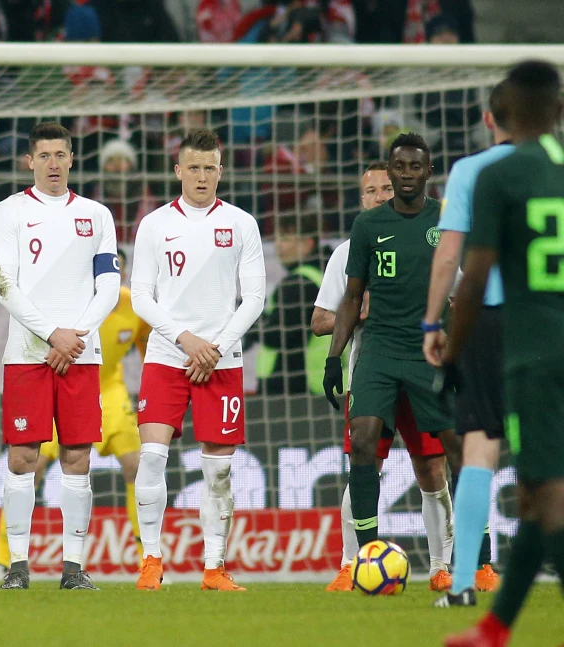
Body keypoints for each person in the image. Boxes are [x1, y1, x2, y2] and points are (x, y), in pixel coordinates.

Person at [442, 60, 564, 647]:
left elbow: (471, 273)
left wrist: (449, 348)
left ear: (500, 115)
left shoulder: (492, 174)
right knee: (539, 490)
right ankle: (495, 626)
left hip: (529, 347)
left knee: (542, 491)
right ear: (559, 111)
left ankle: (474, 595)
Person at [322, 133, 462, 591]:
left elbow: (466, 290)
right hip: (379, 348)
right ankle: (366, 557)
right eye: (399, 166)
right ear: (390, 167)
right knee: (363, 442)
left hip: (429, 348)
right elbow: (351, 297)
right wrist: (334, 358)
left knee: (454, 450)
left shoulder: (447, 220)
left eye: (414, 167)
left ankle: (470, 563)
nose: (406, 175)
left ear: (428, 171)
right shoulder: (367, 226)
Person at [131, 129, 266, 592]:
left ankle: (213, 567)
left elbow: (254, 297)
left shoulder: (242, 224)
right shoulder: (154, 225)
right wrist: (187, 340)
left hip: (221, 361)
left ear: (221, 171)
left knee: (219, 470)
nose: (202, 176)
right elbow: (141, 297)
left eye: (210, 168)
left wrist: (217, 346)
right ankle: (151, 560)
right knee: (152, 457)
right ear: (178, 171)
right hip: (168, 355)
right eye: (194, 167)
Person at [0, 121, 120, 590]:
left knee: (78, 457)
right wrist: (51, 335)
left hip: (79, 353)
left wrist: (74, 336)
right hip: (28, 354)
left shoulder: (96, 215)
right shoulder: (9, 211)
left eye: (60, 155)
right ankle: (17, 567)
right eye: (44, 155)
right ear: (29, 161)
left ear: (71, 159)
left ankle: (73, 568)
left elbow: (109, 285)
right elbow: (4, 284)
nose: (53, 164)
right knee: (23, 457)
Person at [0, 247, 150, 583]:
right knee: (29, 466)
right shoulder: (74, 302)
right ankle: (3, 559)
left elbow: (148, 350)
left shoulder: (134, 308)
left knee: (137, 465)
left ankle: (148, 560)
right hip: (62, 384)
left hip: (110, 392)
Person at [424, 83, 513, 607]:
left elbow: (448, 256)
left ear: (488, 118)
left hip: (488, 319)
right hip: (550, 319)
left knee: (479, 446)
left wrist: (431, 324)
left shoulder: (470, 171)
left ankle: (462, 584)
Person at [252, 213, 328, 395]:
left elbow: (278, 335)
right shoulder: (319, 277)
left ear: (308, 243)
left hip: (289, 382)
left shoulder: (298, 283)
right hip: (315, 377)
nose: (278, 245)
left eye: (285, 239)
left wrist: (252, 326)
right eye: (276, 239)